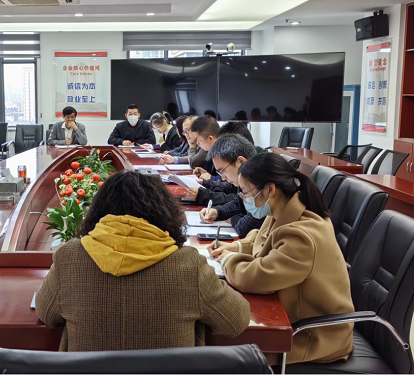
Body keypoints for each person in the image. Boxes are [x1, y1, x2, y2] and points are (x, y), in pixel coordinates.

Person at [35, 170, 251, 351]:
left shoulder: (69, 258)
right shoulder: (189, 265)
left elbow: (46, 314)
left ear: (97, 211)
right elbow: (235, 321)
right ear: (164, 212)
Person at [212, 153, 354, 365]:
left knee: (225, 352)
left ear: (270, 189)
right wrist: (238, 246)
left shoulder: (302, 235)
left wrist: (228, 260)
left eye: (245, 192)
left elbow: (256, 277)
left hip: (312, 335)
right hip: (292, 318)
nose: (244, 199)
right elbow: (263, 240)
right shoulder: (283, 211)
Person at [200, 134, 262, 238]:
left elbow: (246, 228)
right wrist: (217, 212)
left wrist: (233, 219)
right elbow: (238, 203)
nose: (223, 178)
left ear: (240, 162)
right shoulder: (246, 179)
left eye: (222, 171)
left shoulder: (262, 181)